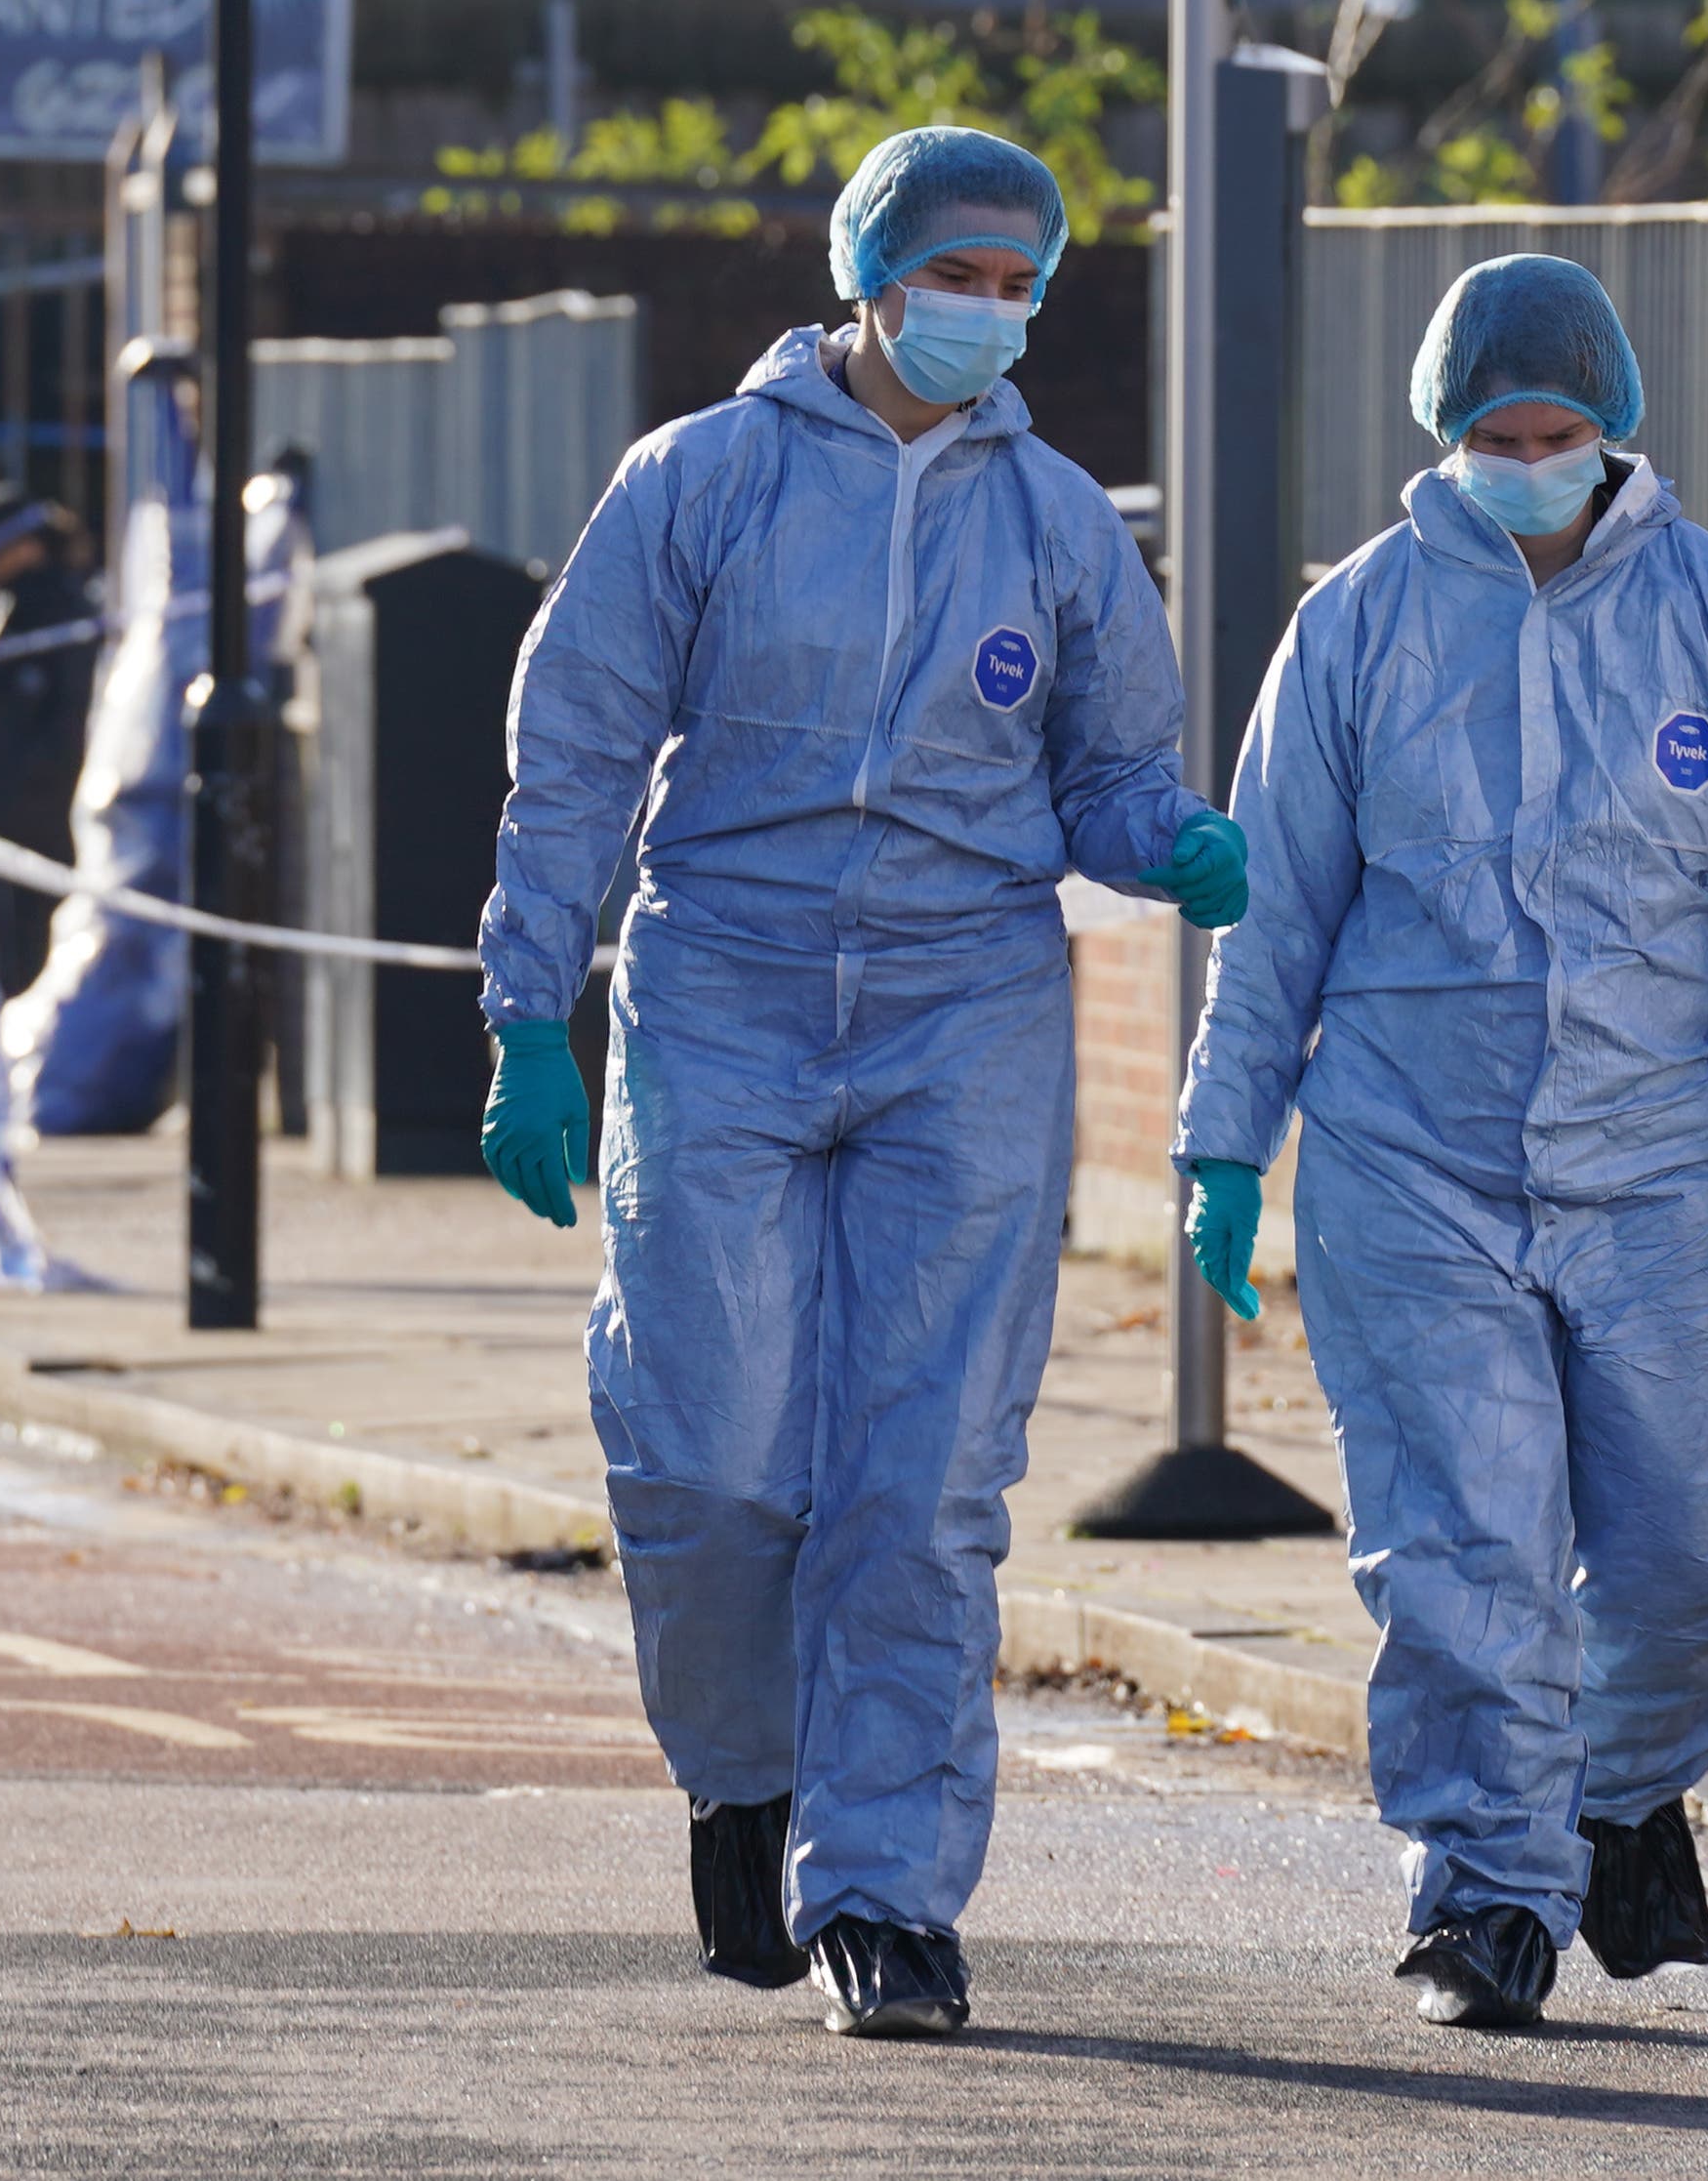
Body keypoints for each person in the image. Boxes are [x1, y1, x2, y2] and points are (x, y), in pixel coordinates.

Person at [468, 125, 1251, 2039]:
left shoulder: (1057, 519)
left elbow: (1108, 773)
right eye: (955, 274)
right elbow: (575, 751)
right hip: (721, 988)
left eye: (1017, 284)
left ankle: (888, 1892)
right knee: (716, 1451)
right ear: (868, 273)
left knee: (921, 1480)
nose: (986, 311)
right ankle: (746, 1773)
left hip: (963, 1007)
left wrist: (1173, 846)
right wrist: (522, 1024)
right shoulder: (702, 483)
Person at [1179, 252, 1708, 2030]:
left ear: (1614, 426)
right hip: (1411, 1164)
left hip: (1656, 1164)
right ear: (1445, 431)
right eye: (1495, 432)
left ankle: (1619, 1792)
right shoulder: (1356, 627)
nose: (1528, 455)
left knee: (1694, 1553)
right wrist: (1225, 1135)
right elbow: (1275, 909)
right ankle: (1484, 1894)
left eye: (1556, 428)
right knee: (1467, 1550)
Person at [0, 484, 98, 997]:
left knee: (29, 962)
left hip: (36, 833)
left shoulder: (56, 614)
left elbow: (52, 732)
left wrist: (5, 807)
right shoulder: (15, 609)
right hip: (6, 829)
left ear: (25, 547)